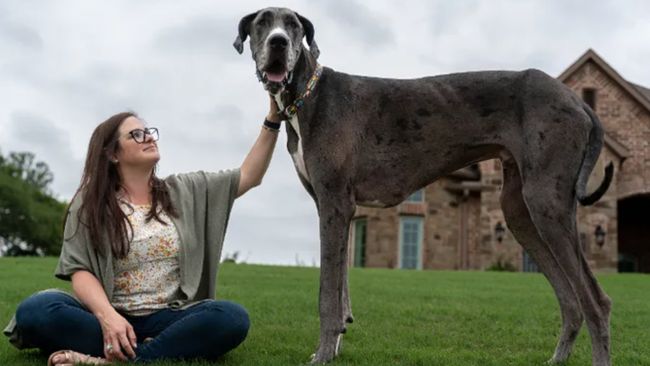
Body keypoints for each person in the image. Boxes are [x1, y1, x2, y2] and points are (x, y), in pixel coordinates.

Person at [3, 97, 283, 365]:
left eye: (149, 131)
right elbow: (80, 269)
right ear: (113, 153)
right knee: (36, 310)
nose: (149, 137)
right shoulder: (90, 202)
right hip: (107, 318)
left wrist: (273, 119)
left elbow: (249, 175)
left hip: (170, 317)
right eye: (136, 135)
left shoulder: (185, 190)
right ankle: (150, 349)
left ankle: (118, 359)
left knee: (231, 318)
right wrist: (108, 317)